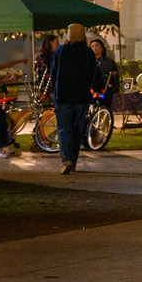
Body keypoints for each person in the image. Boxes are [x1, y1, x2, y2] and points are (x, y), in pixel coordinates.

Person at [49, 23, 99, 174]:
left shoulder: (61, 51)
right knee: (77, 129)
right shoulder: (88, 53)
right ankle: (74, 161)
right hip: (81, 96)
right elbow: (92, 74)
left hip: (63, 95)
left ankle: (66, 160)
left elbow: (53, 73)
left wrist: (54, 91)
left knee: (64, 128)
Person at [89, 37, 120, 113]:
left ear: (102, 48)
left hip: (106, 92)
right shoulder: (89, 61)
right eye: (92, 46)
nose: (95, 48)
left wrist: (114, 90)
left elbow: (115, 76)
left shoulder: (109, 62)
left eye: (97, 46)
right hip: (92, 92)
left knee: (107, 109)